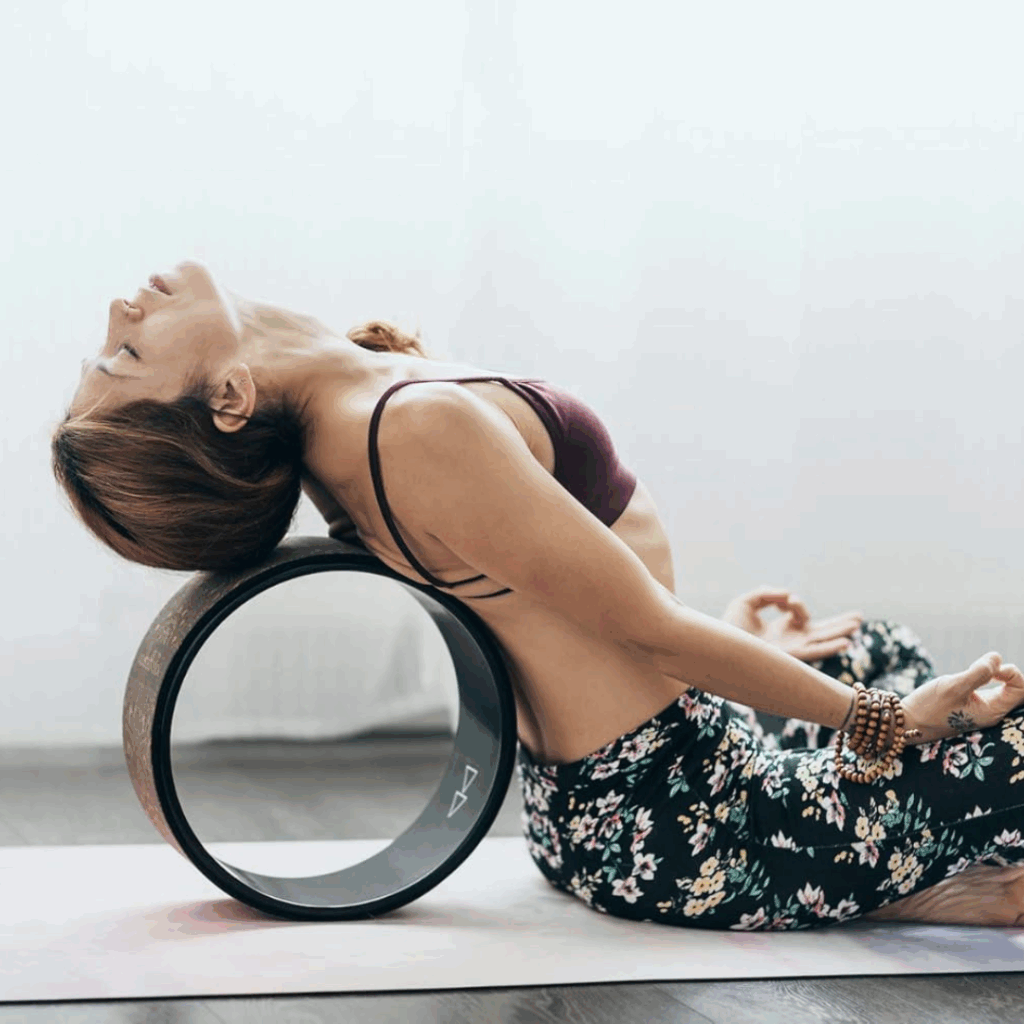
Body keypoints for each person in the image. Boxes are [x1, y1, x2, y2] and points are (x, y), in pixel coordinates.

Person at [52, 259, 1024, 930]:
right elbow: (648, 629)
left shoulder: (362, 411)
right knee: (988, 729)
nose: (119, 312)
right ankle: (840, 882)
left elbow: (565, 609)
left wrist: (743, 661)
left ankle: (880, 883)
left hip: (638, 783)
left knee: (873, 647)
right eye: (125, 358)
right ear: (228, 400)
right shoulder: (404, 432)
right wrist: (883, 724)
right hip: (680, 825)